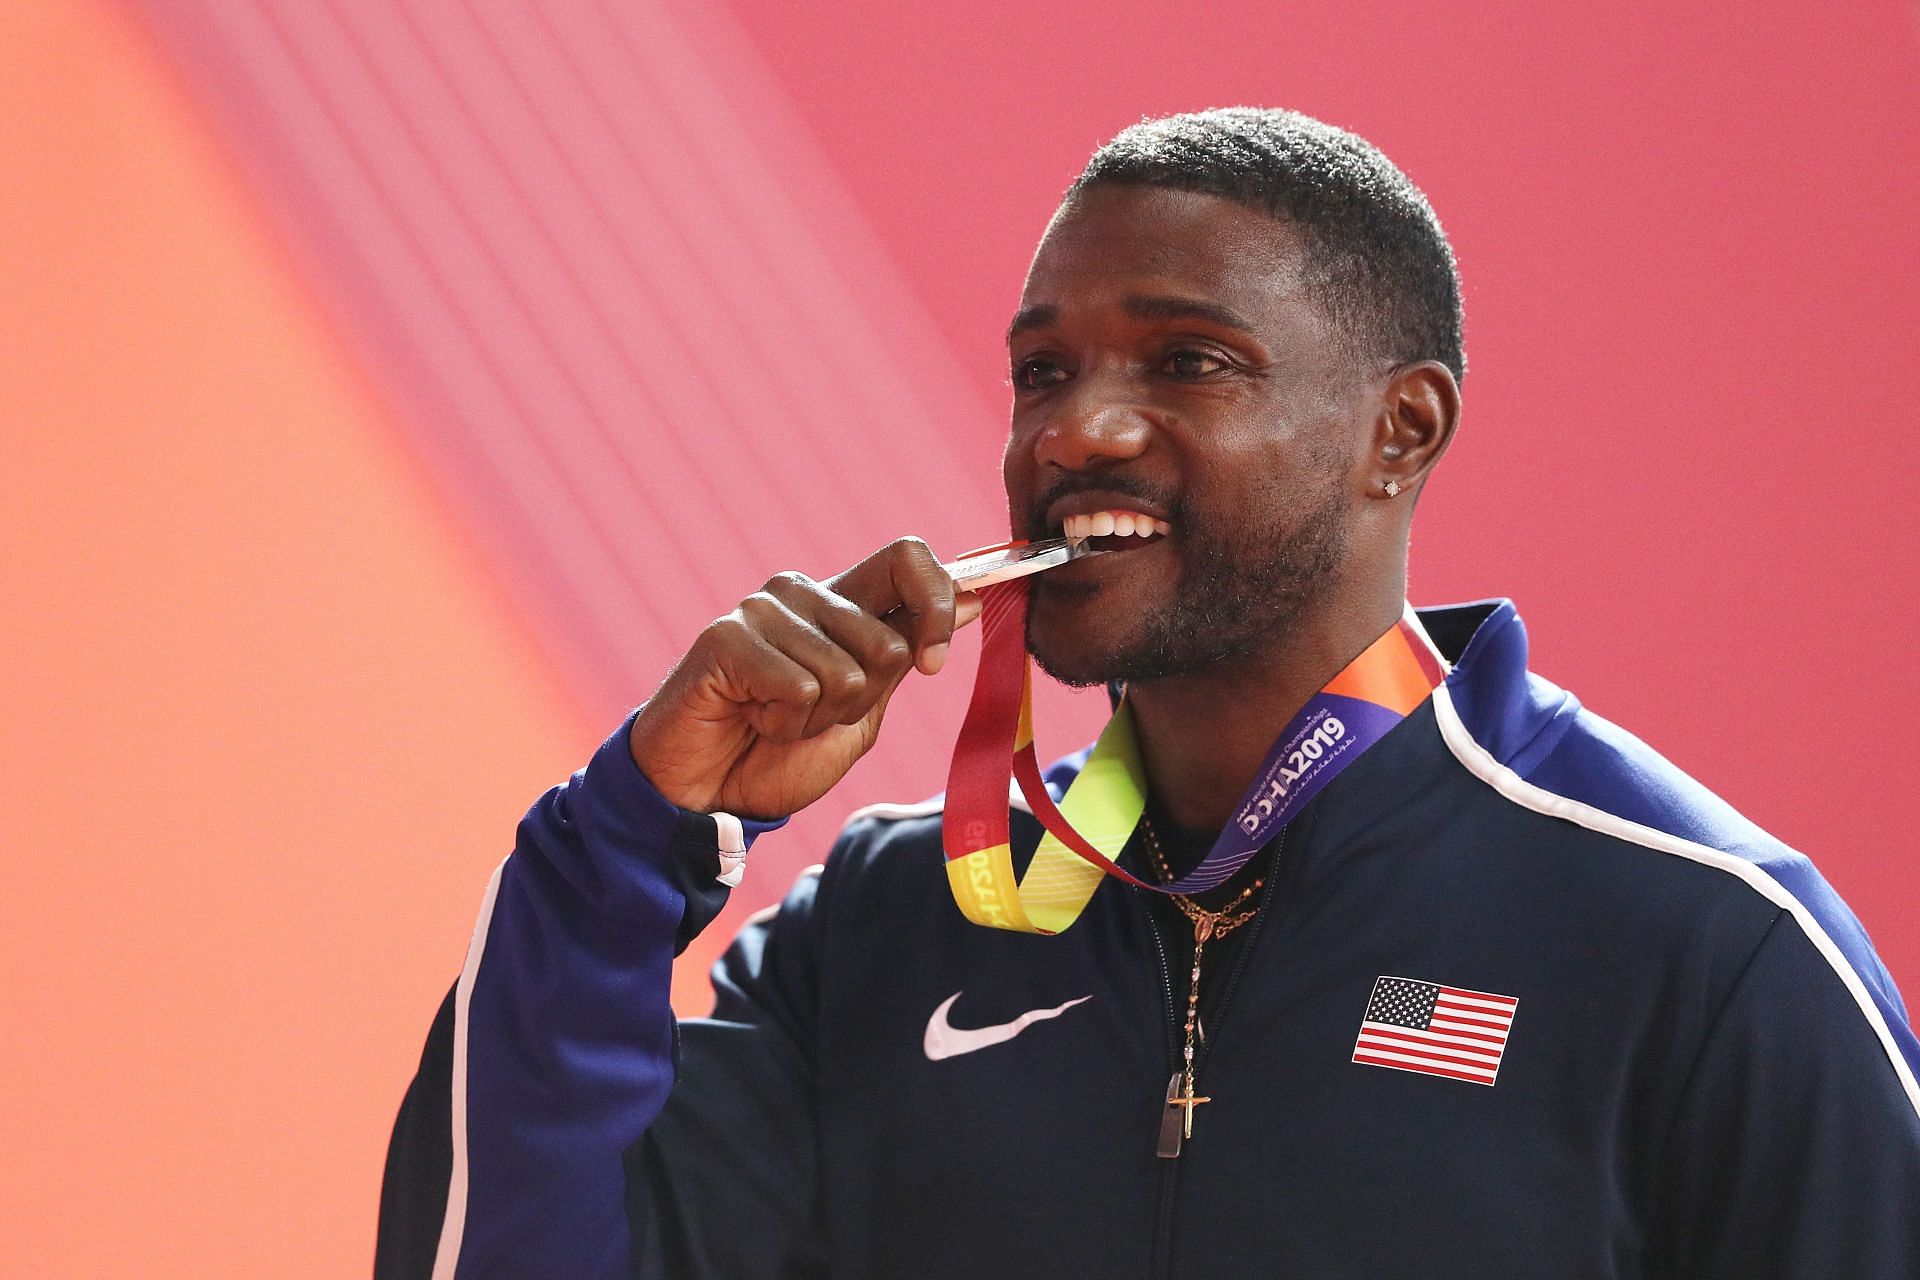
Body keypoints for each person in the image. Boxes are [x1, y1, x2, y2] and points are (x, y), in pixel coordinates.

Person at [375, 108, 1920, 1279]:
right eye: (1043, 373)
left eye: (1189, 364)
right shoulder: (883, 928)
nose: (1081, 431)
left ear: (1401, 432)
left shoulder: (1701, 945)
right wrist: (632, 832)